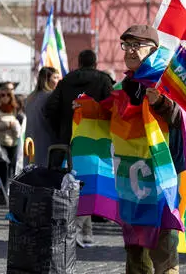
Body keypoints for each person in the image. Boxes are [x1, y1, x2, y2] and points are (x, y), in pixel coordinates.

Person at [113, 25, 184, 272]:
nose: (130, 51)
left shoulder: (166, 80)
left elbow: (185, 119)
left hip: (161, 179)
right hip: (131, 181)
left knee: (163, 248)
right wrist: (86, 109)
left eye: (136, 46)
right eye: (126, 45)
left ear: (152, 50)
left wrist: (161, 102)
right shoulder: (125, 85)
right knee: (134, 250)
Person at [45, 49, 114, 248]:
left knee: (72, 185)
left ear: (79, 62)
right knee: (89, 185)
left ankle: (86, 233)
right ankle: (77, 232)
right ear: (95, 62)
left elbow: (50, 108)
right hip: (95, 141)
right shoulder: (103, 81)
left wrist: (62, 129)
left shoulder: (65, 81)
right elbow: (112, 109)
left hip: (68, 140)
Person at [25, 67, 60, 168]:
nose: (58, 80)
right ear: (47, 79)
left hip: (31, 140)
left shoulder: (30, 97)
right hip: (46, 141)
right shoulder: (50, 97)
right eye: (55, 77)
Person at [0, 83, 22, 204]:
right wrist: (7, 125)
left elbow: (19, 125)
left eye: (8, 95)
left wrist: (13, 126)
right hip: (0, 143)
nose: (5, 97)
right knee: (2, 169)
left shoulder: (15, 109)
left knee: (12, 169)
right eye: (2, 95)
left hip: (14, 142)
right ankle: (2, 194)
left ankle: (9, 193)